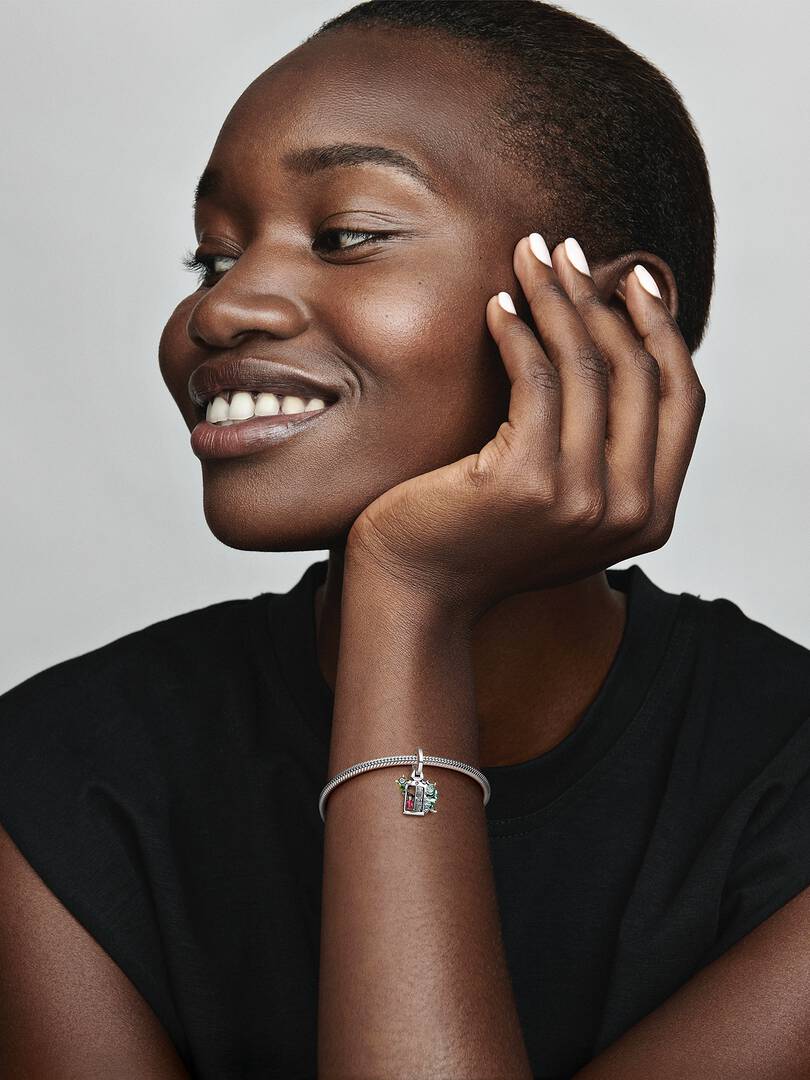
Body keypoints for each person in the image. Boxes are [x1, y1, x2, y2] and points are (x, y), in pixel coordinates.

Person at [1, 1, 809, 1077]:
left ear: (610, 317)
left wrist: (408, 596)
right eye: (212, 257)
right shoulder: (63, 780)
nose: (222, 310)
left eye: (346, 236)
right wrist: (408, 599)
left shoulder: (781, 776)